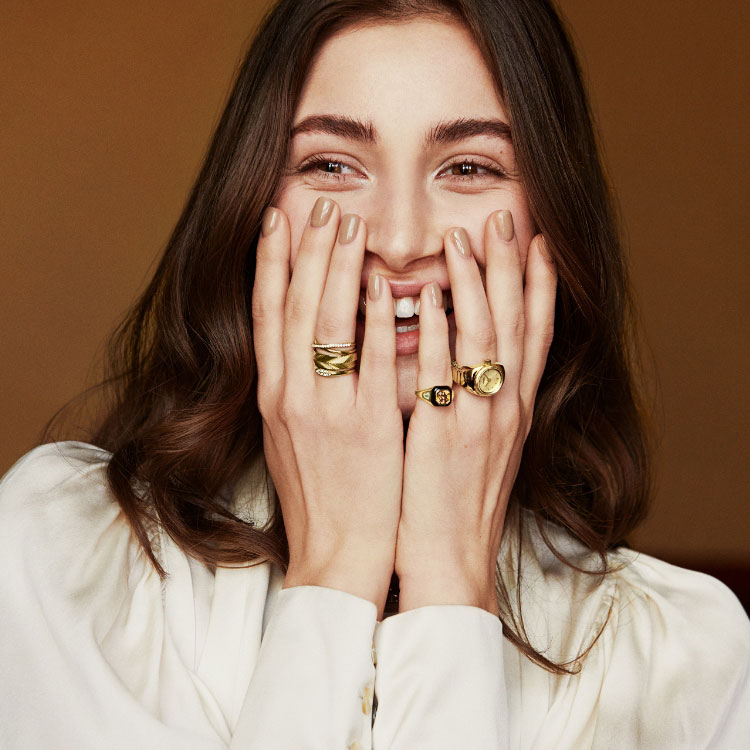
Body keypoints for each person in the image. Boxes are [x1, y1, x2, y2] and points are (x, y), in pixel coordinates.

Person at [1, 0, 748, 747]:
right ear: (256, 204)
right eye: (331, 164)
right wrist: (333, 573)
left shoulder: (687, 664)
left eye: (468, 166)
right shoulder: (63, 561)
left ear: (551, 225)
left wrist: (451, 585)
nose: (396, 240)